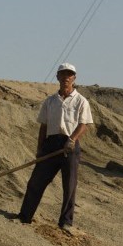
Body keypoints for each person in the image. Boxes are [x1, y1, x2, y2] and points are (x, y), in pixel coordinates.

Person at [17, 63, 94, 230]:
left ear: (74, 78)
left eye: (69, 74)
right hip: (51, 144)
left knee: (70, 186)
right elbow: (43, 126)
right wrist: (39, 149)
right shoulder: (50, 101)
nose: (66, 77)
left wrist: (72, 139)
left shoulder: (81, 101)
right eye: (63, 74)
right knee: (36, 182)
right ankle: (24, 216)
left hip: (70, 146)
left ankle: (66, 222)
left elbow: (84, 124)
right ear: (58, 77)